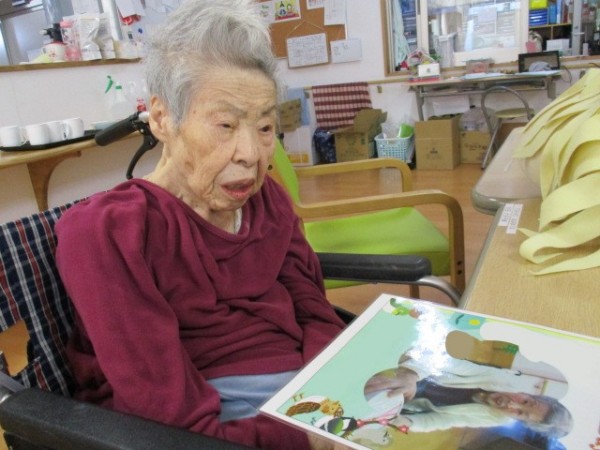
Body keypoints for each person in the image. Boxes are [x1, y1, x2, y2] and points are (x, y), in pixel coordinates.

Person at [54, 1, 345, 449]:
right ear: (161, 118)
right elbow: (170, 421)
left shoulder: (267, 199)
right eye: (225, 124)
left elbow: (313, 310)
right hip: (218, 420)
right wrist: (309, 436)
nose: (251, 154)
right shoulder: (107, 233)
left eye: (265, 127)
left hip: (310, 392)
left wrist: (339, 386)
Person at [364, 352, 573, 438]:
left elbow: (442, 421)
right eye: (526, 401)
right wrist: (411, 375)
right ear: (527, 393)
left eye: (520, 413)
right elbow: (445, 362)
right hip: (408, 367)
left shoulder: (496, 418)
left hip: (405, 402)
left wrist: (407, 422)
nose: (512, 405)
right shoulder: (500, 378)